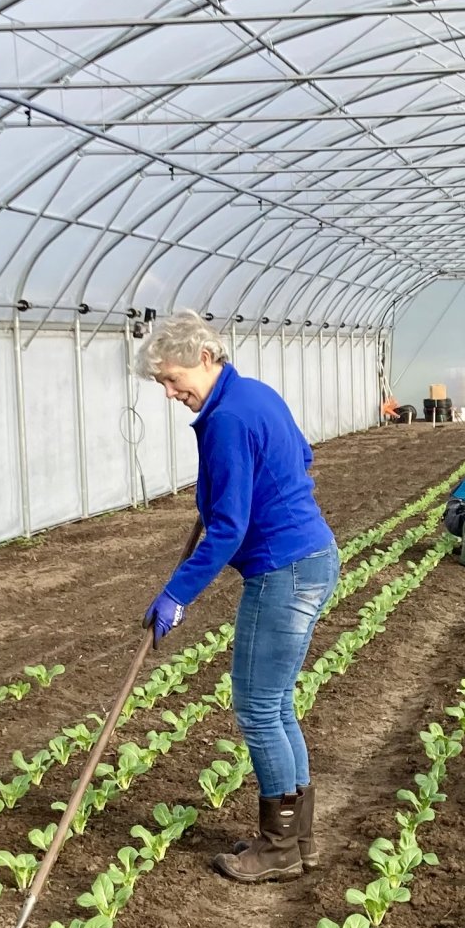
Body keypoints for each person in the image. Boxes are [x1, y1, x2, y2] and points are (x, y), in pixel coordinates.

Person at [140, 311, 338, 884]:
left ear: (205, 357)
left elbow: (228, 529)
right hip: (312, 556)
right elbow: (302, 456)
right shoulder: (255, 394)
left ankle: (278, 849)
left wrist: (176, 594)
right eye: (162, 383)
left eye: (173, 378)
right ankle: (298, 839)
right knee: (276, 704)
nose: (170, 392)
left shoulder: (227, 418)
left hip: (283, 569)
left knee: (256, 707)